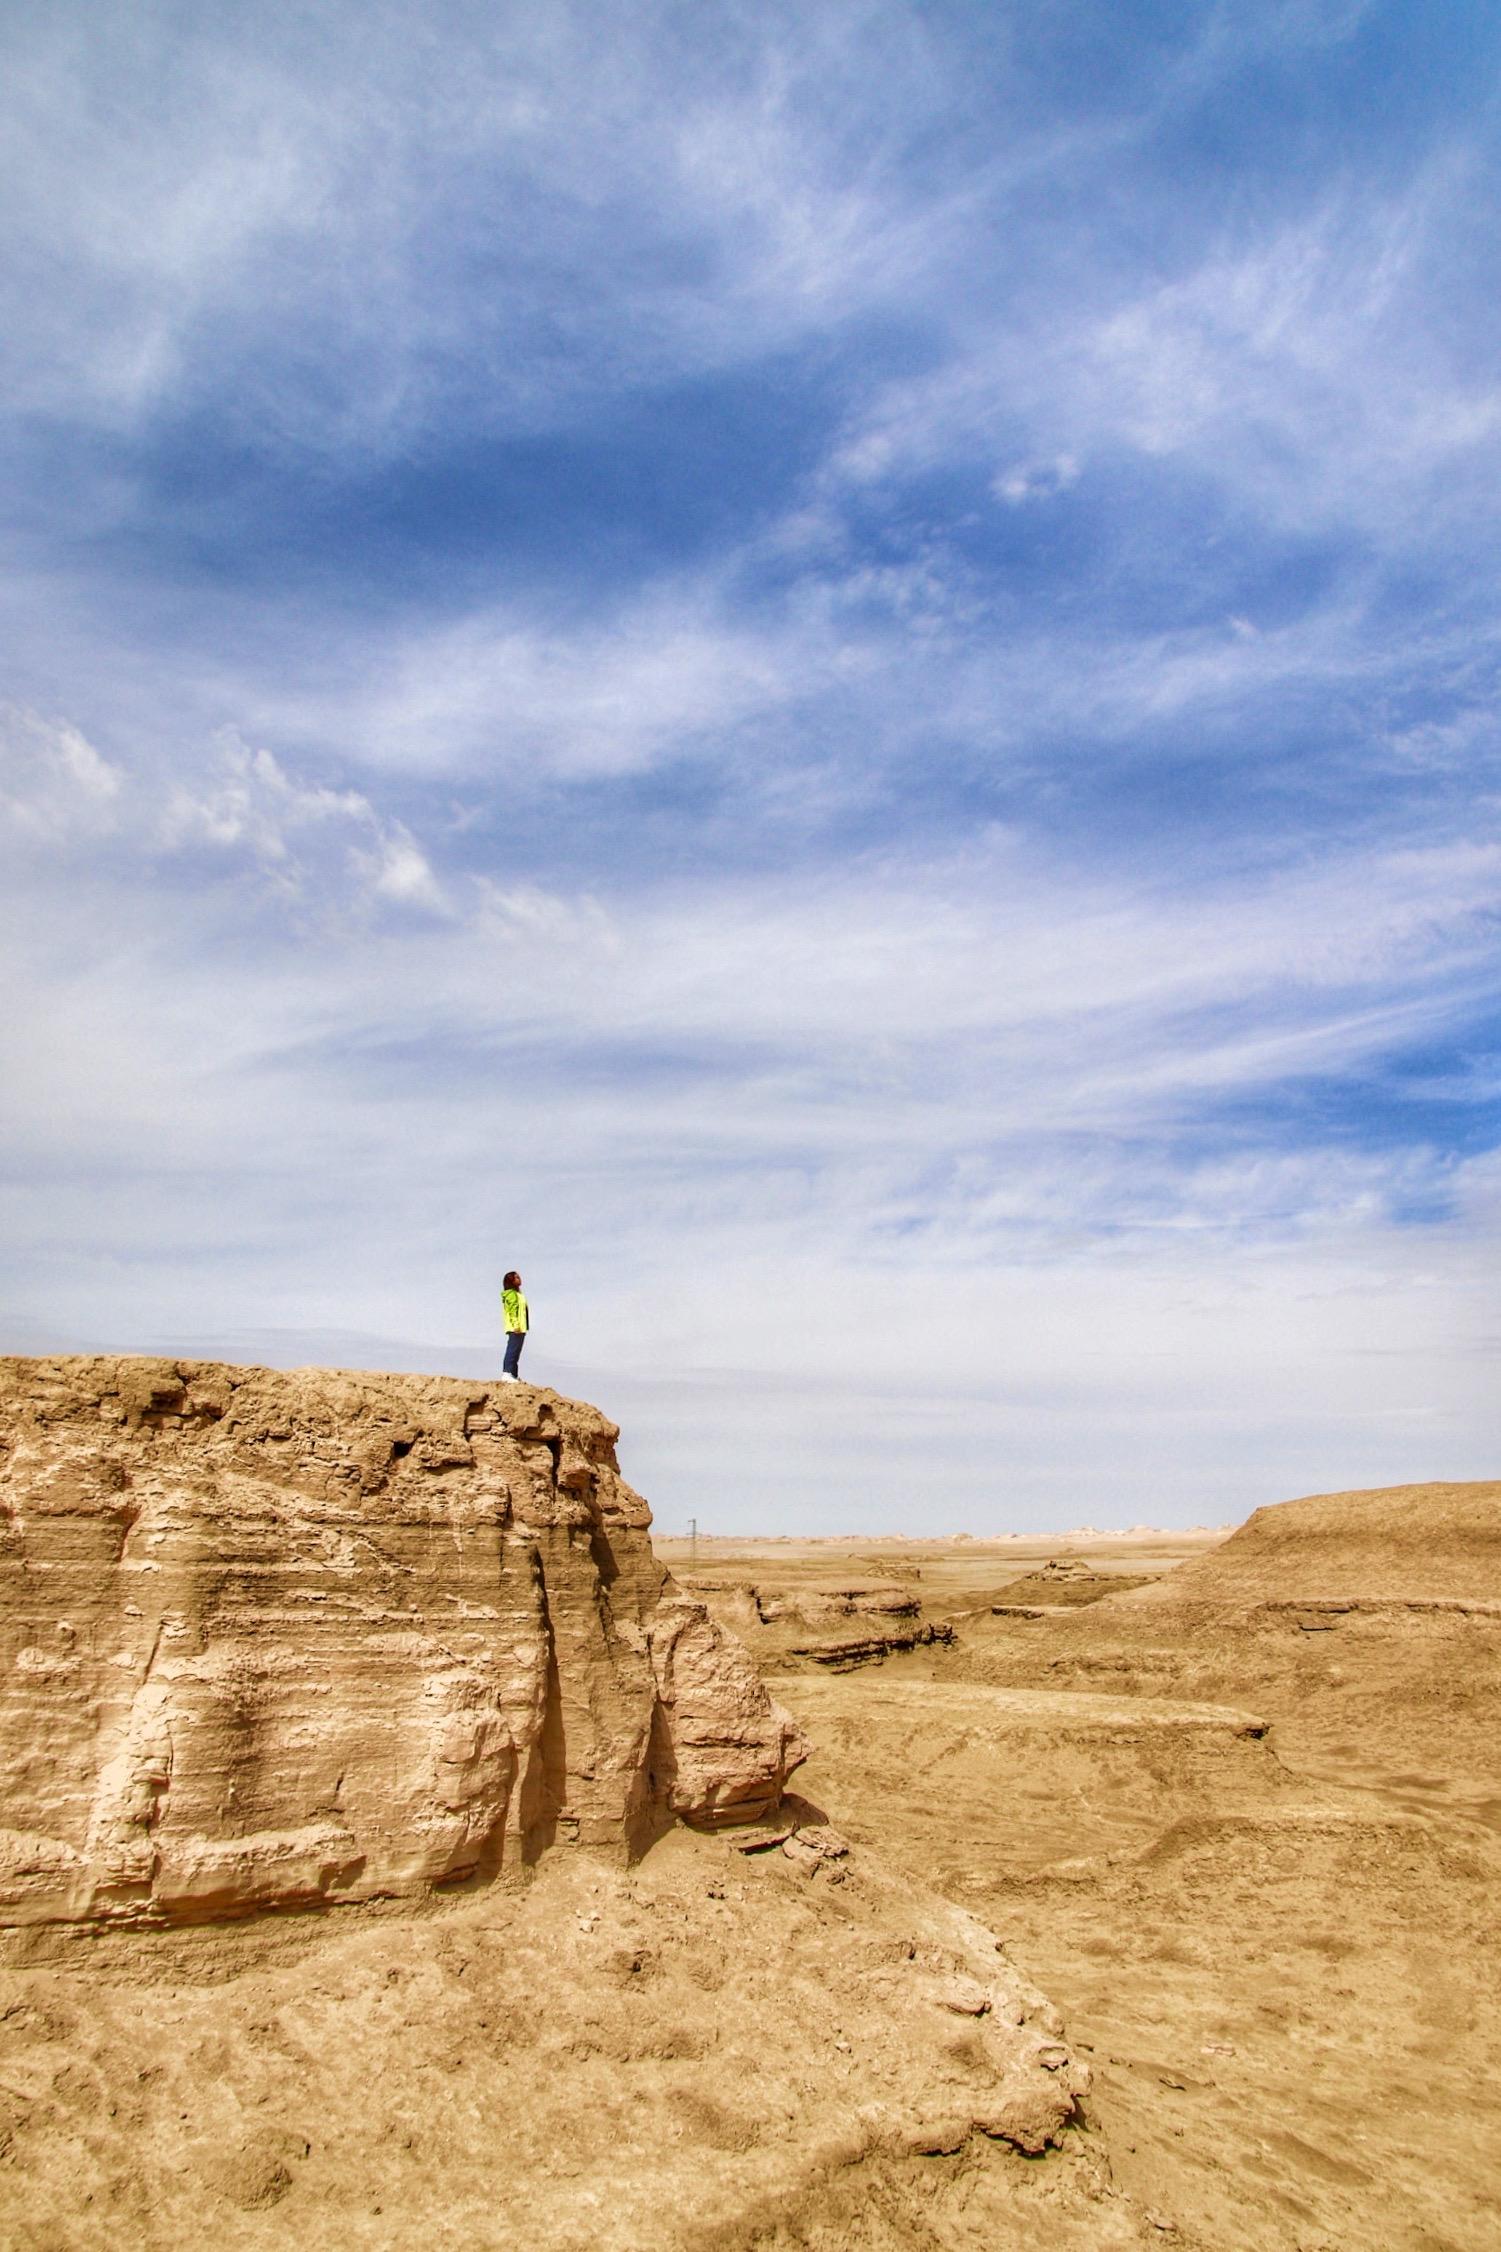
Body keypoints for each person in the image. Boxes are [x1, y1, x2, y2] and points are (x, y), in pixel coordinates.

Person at [501, 1269, 529, 1382]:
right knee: (512, 1350)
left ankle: (513, 1374)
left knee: (516, 1351)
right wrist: (516, 1325)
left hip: (521, 1327)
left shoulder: (518, 1294)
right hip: (515, 1328)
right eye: (516, 1277)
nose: (519, 1279)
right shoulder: (511, 1294)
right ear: (511, 1281)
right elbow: (513, 1311)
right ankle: (507, 1373)